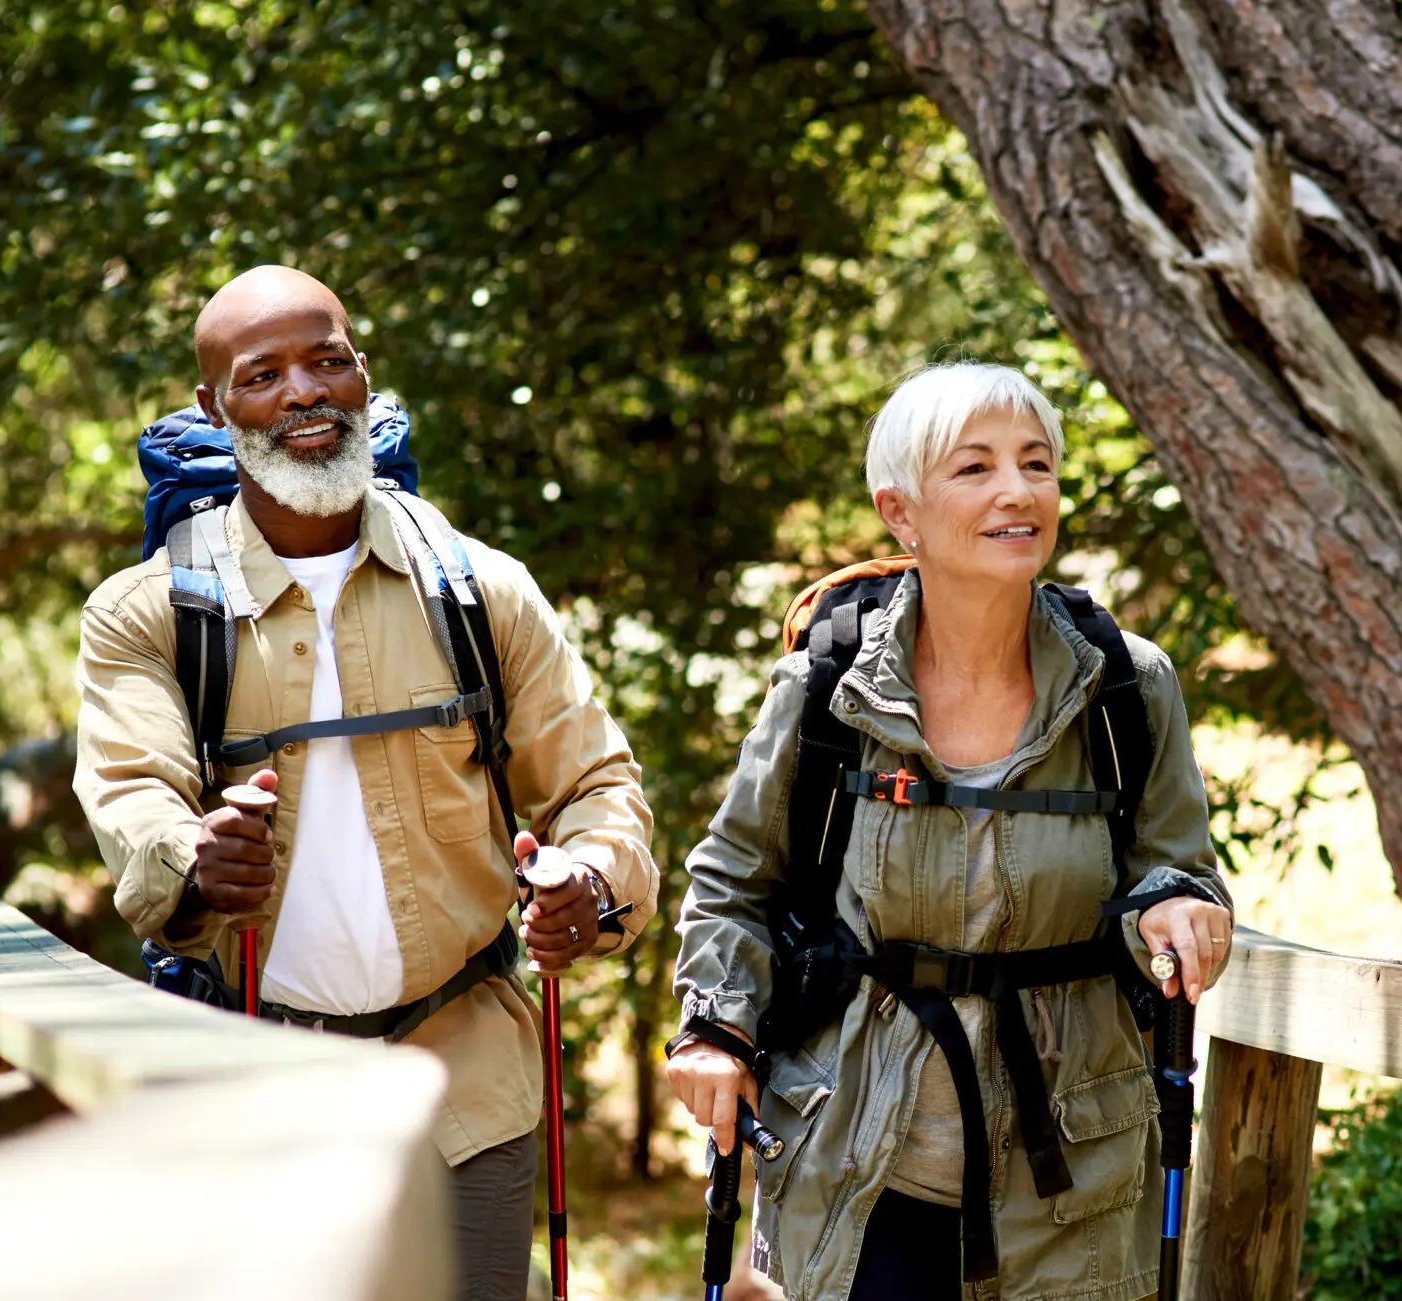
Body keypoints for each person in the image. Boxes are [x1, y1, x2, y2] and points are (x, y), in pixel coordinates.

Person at [74, 265, 658, 1301]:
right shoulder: (148, 614)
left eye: (327, 360)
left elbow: (596, 784)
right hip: (256, 1085)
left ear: (363, 378)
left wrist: (591, 882)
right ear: (215, 407)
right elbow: (134, 801)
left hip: (467, 1075)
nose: (303, 390)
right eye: (263, 375)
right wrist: (197, 859)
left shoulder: (482, 589)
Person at [668, 362, 1236, 1300]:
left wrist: (1181, 908)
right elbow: (737, 881)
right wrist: (715, 1028)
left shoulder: (1126, 687)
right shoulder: (829, 688)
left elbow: (1175, 869)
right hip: (859, 1159)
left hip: (1072, 1180)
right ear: (902, 511)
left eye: (1037, 464)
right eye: (975, 469)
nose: (1018, 491)